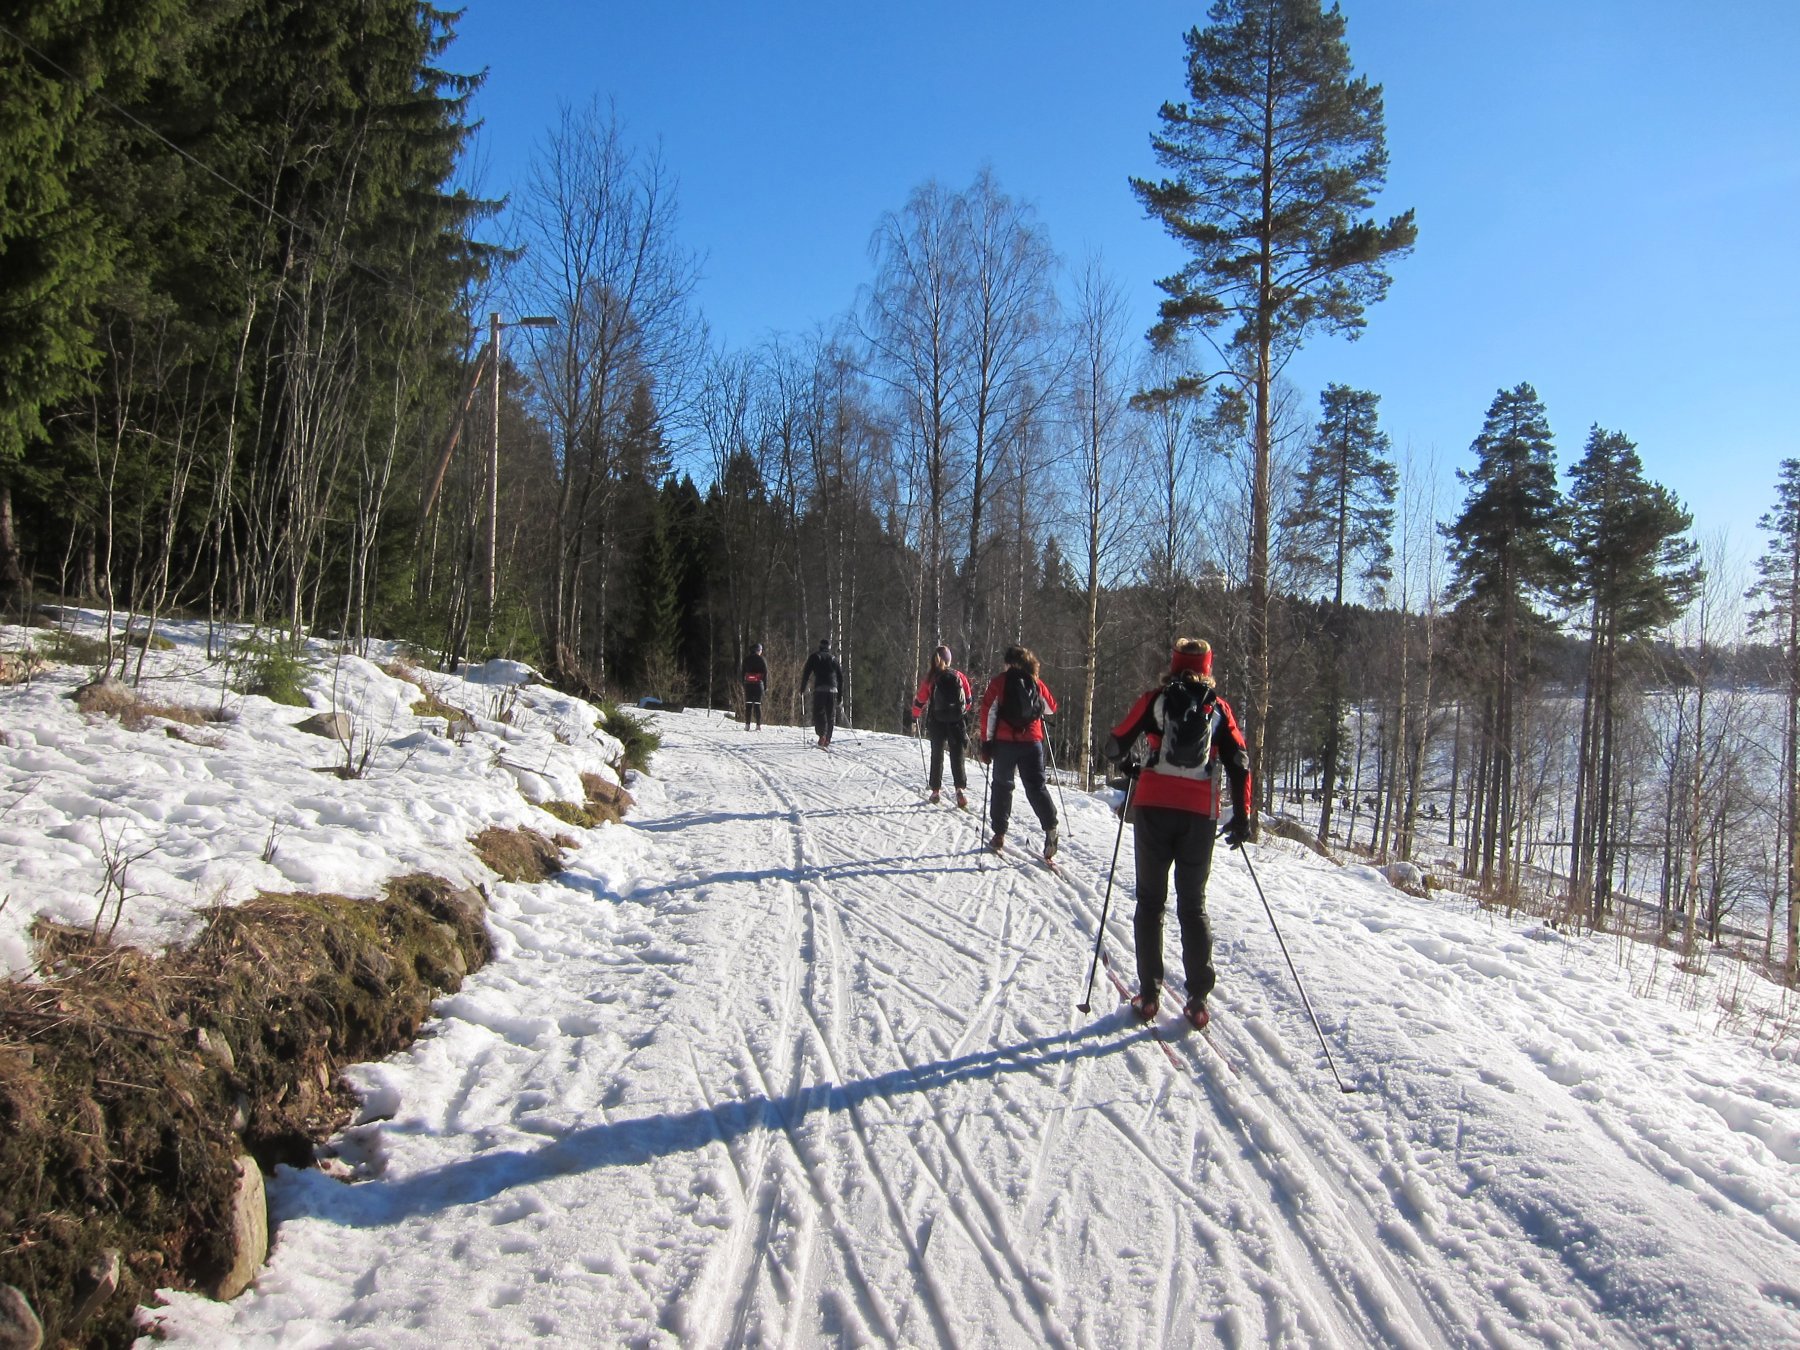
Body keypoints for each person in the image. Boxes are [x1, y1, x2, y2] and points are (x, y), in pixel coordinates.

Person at [1103, 637, 1251, 1031]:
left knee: (1151, 902)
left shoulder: (1156, 700)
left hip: (1153, 806)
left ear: (1174, 663)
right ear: (1207, 667)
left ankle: (1149, 995)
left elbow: (1115, 744)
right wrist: (1243, 815)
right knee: (1193, 905)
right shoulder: (1218, 709)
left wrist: (1133, 765)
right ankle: (1198, 1000)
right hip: (1200, 814)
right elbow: (1239, 761)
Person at [976, 644, 1060, 860]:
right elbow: (1052, 708)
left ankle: (999, 833)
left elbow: (988, 712)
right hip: (1032, 742)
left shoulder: (999, 682)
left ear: (1009, 662)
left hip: (1005, 743)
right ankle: (1050, 825)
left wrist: (986, 743)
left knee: (1002, 786)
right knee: (1036, 787)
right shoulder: (1035, 682)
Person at [906, 644, 973, 808]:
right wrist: (959, 713)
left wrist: (915, 715)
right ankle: (959, 790)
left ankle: (935, 791)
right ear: (949, 660)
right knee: (957, 755)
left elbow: (920, 700)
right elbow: (969, 701)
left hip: (937, 721)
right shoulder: (959, 676)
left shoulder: (932, 678)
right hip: (956, 722)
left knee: (937, 756)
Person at [799, 637, 842, 748]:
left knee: (819, 712)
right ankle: (828, 738)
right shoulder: (833, 658)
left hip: (820, 689)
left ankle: (822, 735)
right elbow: (840, 677)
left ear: (820, 646)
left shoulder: (815, 657)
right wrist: (840, 696)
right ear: (829, 647)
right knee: (830, 714)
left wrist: (802, 688)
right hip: (833, 689)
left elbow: (806, 673)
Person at [741, 643, 768, 730]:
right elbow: (765, 674)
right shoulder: (762, 659)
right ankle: (758, 726)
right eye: (760, 650)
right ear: (758, 650)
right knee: (757, 705)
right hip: (758, 684)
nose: (761, 652)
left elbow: (742, 672)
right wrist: (765, 686)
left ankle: (747, 725)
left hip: (748, 684)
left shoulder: (746, 659)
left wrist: (743, 683)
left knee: (748, 705)